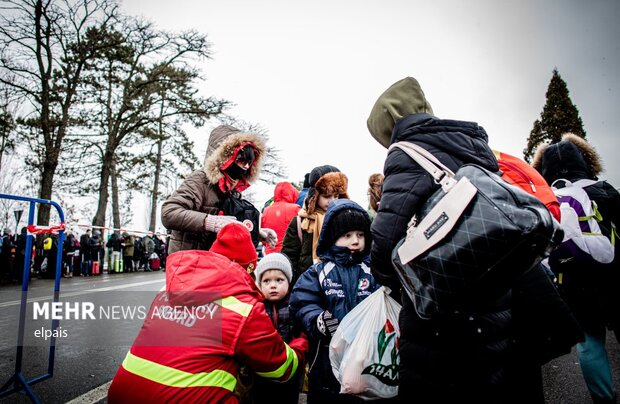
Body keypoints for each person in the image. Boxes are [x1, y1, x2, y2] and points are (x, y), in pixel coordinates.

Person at [366, 76, 543, 402]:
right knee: (487, 378)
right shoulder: (473, 144)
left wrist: (403, 283)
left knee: (439, 386)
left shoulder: (405, 152)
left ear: (388, 125)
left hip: (440, 309)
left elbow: (386, 239)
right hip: (493, 290)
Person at [107, 222, 308, 403]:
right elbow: (281, 368)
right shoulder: (243, 308)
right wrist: (301, 342)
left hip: (121, 394)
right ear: (248, 270)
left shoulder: (167, 290)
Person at [533, 133, 620, 404]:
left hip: (573, 282)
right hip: (614, 275)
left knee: (590, 343)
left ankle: (604, 398)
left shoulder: (548, 200)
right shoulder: (603, 189)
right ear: (584, 160)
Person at [290, 199, 378, 403]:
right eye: (347, 235)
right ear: (332, 238)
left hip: (366, 354)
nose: (355, 241)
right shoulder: (319, 272)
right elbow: (301, 302)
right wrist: (317, 319)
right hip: (326, 356)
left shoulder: (372, 271)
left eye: (360, 235)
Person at [161, 124, 277, 254]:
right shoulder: (200, 180)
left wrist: (255, 232)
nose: (245, 166)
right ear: (225, 157)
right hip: (188, 262)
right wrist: (210, 222)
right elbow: (169, 213)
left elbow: (229, 224)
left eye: (249, 162)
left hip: (213, 263)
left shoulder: (232, 190)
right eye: (241, 160)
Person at [281, 165, 348, 282]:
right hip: (306, 285)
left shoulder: (346, 222)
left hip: (338, 285)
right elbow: (289, 258)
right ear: (315, 196)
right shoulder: (299, 222)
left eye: (336, 196)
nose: (332, 201)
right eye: (326, 196)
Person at [251, 252, 301, 404]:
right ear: (259, 284)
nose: (273, 285)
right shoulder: (256, 307)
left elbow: (301, 334)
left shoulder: (295, 305)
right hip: (261, 370)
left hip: (290, 368)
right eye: (266, 281)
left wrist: (299, 352)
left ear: (288, 281)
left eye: (279, 280)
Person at [260, 182, 300, 254]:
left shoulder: (266, 210)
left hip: (270, 252)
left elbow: (263, 236)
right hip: (289, 253)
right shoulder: (295, 209)